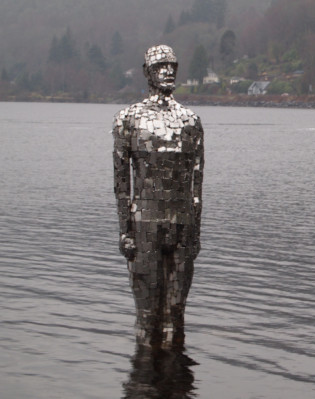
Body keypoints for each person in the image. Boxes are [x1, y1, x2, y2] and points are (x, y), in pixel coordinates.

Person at [112, 45, 204, 348]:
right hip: (144, 226)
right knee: (147, 313)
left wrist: (195, 232)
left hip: (181, 223)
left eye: (173, 66)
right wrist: (125, 230)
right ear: (147, 72)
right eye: (161, 66)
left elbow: (196, 182)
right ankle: (144, 385)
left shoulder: (191, 122)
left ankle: (176, 383)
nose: (168, 71)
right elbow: (122, 180)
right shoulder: (128, 119)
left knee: (175, 312)